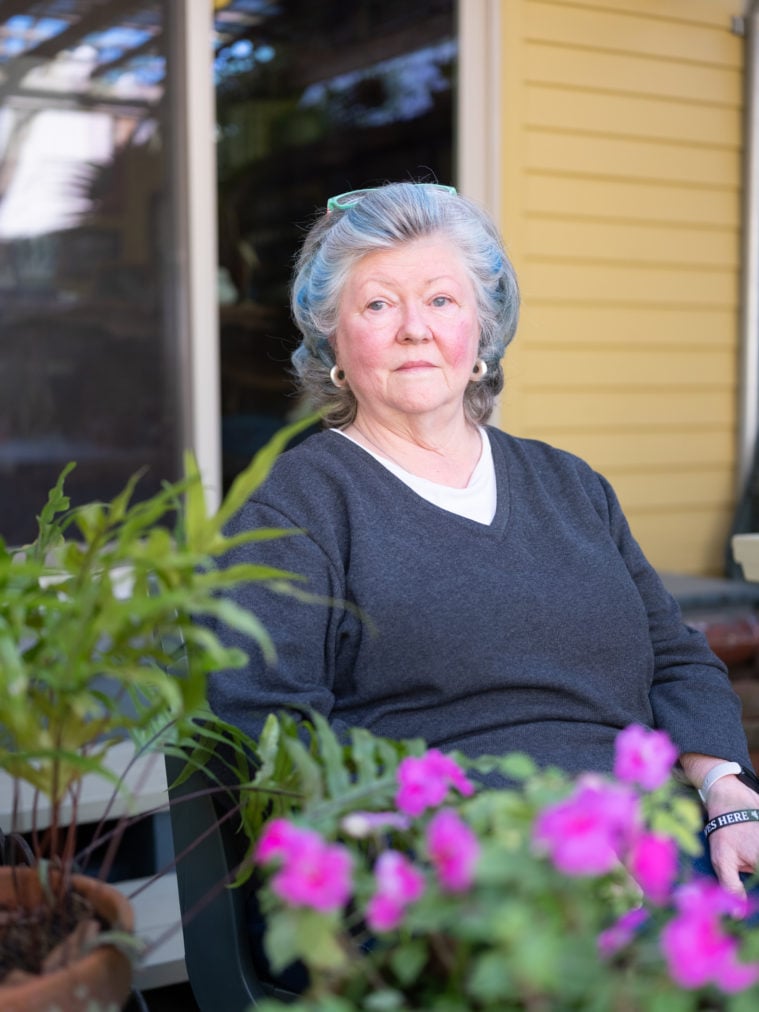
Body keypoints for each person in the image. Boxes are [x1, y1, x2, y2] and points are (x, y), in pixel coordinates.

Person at [207, 180, 759, 898]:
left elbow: (675, 658)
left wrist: (724, 788)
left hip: (648, 837)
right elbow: (267, 727)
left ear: (481, 330)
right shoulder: (297, 505)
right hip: (446, 874)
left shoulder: (569, 485)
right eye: (378, 304)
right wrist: (486, 847)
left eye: (441, 299)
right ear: (332, 340)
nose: (414, 328)